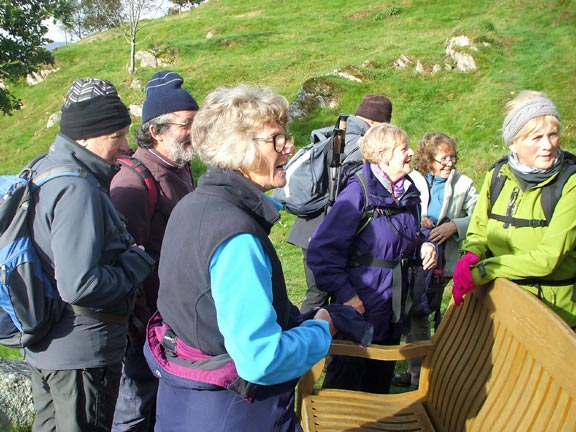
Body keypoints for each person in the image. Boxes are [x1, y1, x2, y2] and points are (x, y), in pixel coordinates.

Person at [145, 84, 336, 431]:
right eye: (276, 139)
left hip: (185, 401)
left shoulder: (191, 205)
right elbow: (260, 359)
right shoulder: (236, 236)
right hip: (234, 411)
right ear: (239, 150)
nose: (289, 147)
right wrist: (321, 329)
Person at [26, 78, 155, 431]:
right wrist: (135, 262)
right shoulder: (76, 189)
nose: (126, 147)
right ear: (86, 136)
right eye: (117, 137)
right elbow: (79, 284)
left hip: (50, 346)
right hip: (81, 353)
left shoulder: (43, 169)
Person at [307, 123, 437, 394]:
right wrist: (348, 297)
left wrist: (424, 244)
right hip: (361, 311)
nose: (411, 153)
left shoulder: (408, 192)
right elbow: (321, 252)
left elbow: (409, 235)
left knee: (379, 387)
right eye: (404, 149)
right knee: (345, 388)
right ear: (383, 155)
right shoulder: (358, 192)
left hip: (393, 309)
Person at [110, 70, 199, 432]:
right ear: (157, 130)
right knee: (134, 413)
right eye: (186, 124)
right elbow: (129, 264)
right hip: (145, 328)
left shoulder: (182, 167)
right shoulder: (133, 180)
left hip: (175, 320)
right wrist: (144, 326)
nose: (195, 130)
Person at [453, 90, 576, 329]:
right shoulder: (498, 175)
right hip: (501, 309)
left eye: (553, 134)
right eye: (536, 137)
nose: (548, 145)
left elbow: (546, 259)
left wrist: (483, 270)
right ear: (513, 143)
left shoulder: (570, 182)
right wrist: (472, 254)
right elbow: (479, 230)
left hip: (555, 318)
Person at [287, 94, 394, 313]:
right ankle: (308, 342)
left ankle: (317, 341)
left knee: (318, 293)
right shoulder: (361, 144)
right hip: (327, 232)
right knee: (323, 294)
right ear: (377, 123)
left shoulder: (337, 133)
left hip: (310, 225)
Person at [392, 132, 478, 390]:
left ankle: (421, 379)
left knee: (420, 313)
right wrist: (418, 221)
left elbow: (479, 217)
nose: (449, 163)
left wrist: (454, 225)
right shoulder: (411, 179)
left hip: (440, 263)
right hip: (408, 258)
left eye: (452, 157)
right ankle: (413, 371)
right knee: (403, 312)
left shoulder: (464, 184)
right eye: (443, 159)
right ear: (428, 159)